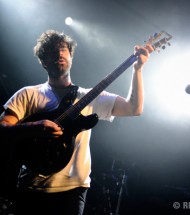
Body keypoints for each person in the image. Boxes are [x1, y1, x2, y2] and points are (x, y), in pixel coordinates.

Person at [0, 29, 153, 215]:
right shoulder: (28, 94)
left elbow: (134, 108)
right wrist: (36, 127)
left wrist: (138, 69)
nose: (59, 53)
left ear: (71, 55)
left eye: (63, 49)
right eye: (51, 51)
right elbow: (3, 128)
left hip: (72, 191)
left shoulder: (90, 97)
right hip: (30, 187)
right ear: (43, 61)